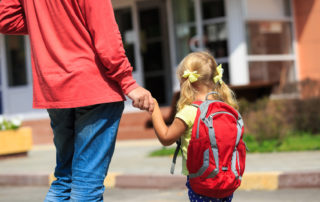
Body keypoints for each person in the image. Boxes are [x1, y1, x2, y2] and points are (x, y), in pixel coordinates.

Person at [0, 0, 154, 201]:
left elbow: (4, 18)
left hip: (54, 89)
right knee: (86, 186)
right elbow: (106, 34)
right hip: (93, 87)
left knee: (65, 180)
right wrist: (127, 82)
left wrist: (47, 24)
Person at [150, 51, 238, 202]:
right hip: (226, 181)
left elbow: (166, 138)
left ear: (185, 81)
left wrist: (154, 108)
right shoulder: (225, 108)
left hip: (202, 183)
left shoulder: (190, 112)